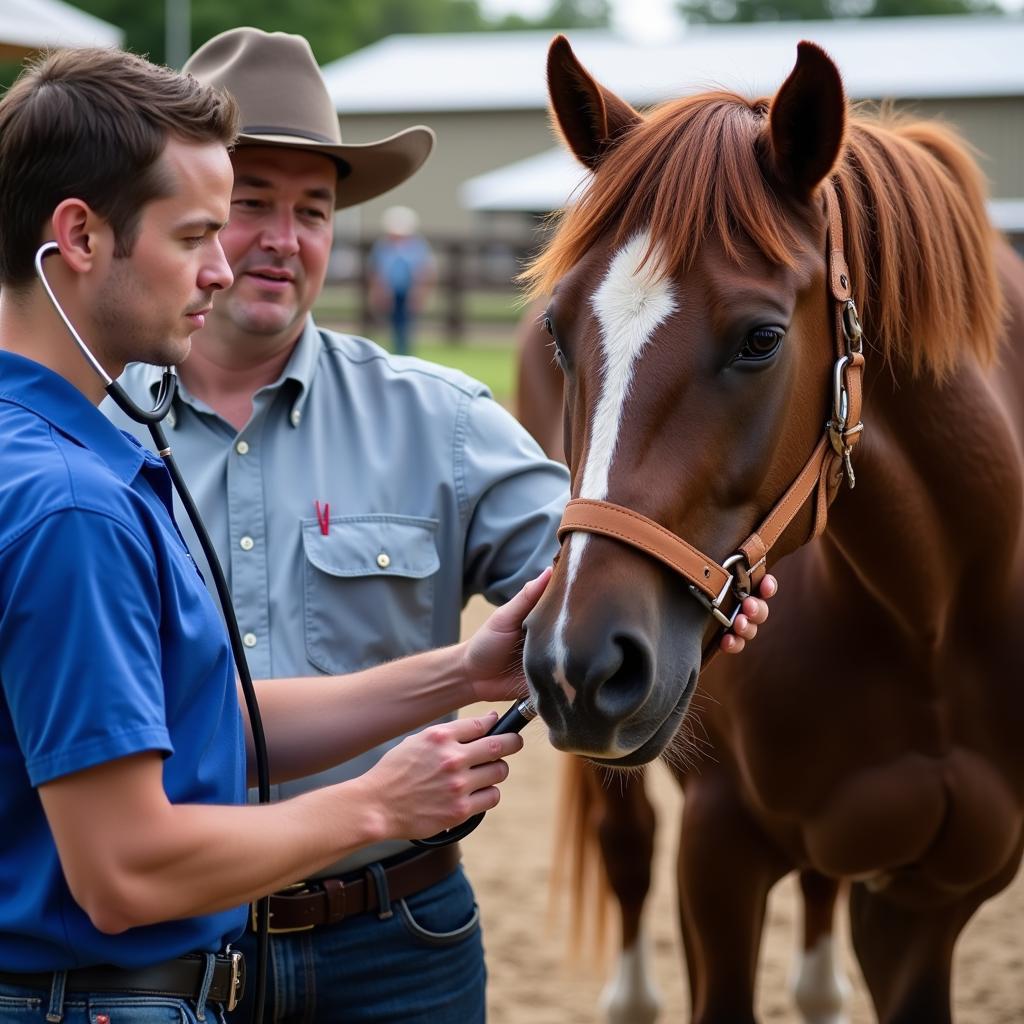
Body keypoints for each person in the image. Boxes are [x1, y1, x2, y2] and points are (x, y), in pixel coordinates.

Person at [104, 27, 776, 1024]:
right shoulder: (85, 431)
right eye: (251, 204)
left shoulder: (444, 423)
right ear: (190, 211)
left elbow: (593, 563)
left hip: (393, 943)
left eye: (314, 209)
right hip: (155, 954)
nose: (284, 239)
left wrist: (695, 575)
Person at [0, 45, 546, 1024]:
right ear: (78, 236)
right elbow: (122, 868)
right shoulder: (75, 499)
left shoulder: (48, 455)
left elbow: (208, 725)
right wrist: (377, 804)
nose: (232, 262)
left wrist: (465, 669)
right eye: (205, 226)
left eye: (313, 211)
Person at [369, 205, 435, 355]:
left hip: (408, 291)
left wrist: (419, 294)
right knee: (392, 324)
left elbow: (424, 271)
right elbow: (377, 271)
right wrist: (379, 292)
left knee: (406, 325)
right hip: (390, 292)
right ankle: (395, 352)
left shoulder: (417, 246)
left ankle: (404, 353)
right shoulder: (383, 245)